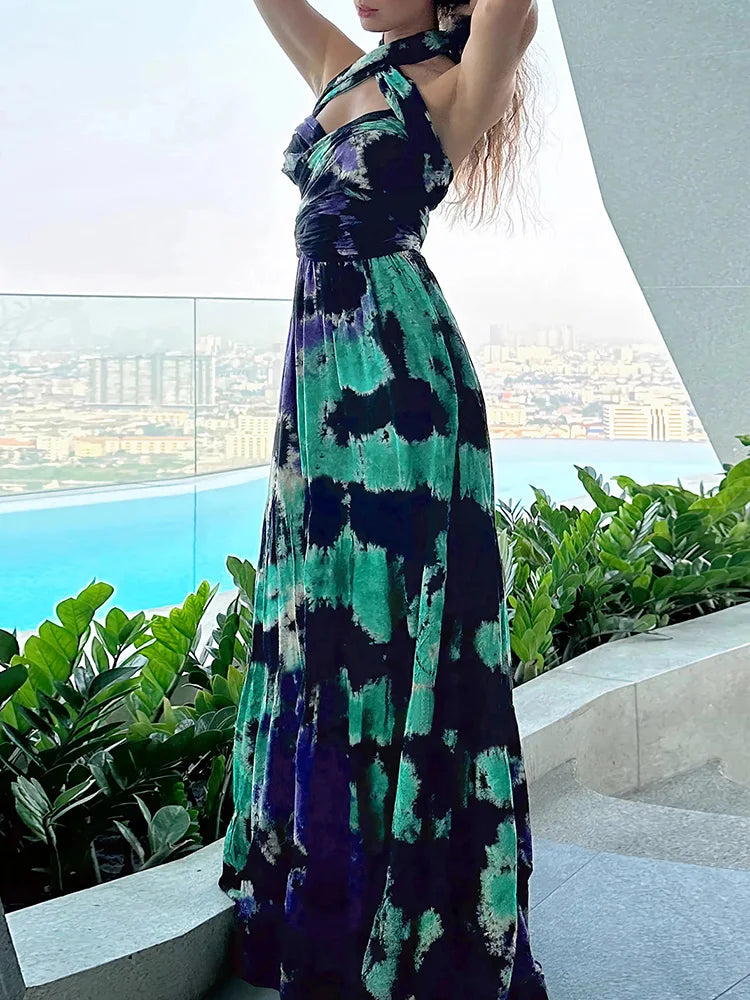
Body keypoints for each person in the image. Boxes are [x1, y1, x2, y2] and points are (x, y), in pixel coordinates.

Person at [219, 1, 548, 997]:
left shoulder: (458, 80)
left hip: (399, 381)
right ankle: (333, 884)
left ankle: (409, 907)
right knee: (325, 618)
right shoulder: (342, 63)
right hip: (321, 381)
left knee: (393, 626)